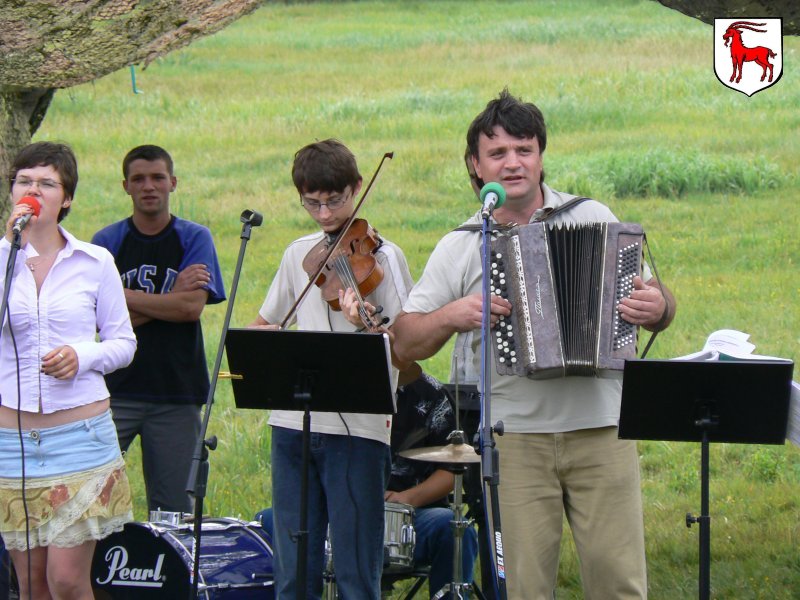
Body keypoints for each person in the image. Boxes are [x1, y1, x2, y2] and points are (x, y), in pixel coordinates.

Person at [392, 90, 676, 600]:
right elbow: (405, 340)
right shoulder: (461, 242)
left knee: (620, 584)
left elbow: (657, 302)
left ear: (541, 155)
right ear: (476, 167)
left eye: (524, 149)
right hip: (513, 439)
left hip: (602, 428)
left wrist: (658, 310)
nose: (513, 162)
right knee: (525, 589)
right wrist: (455, 314)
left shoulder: (593, 216)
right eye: (498, 153)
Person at [249, 139, 414, 599]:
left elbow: (408, 351)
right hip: (292, 424)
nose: (324, 215)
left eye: (335, 201)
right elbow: (267, 321)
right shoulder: (297, 254)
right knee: (293, 573)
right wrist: (259, 338)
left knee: (356, 573)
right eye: (311, 203)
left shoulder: (385, 258)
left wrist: (366, 326)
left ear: (358, 188)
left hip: (358, 430)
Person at [0, 141, 136, 599]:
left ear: (67, 198)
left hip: (80, 438)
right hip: (12, 443)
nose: (32, 189)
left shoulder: (94, 262)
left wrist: (84, 355)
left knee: (65, 579)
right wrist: (9, 253)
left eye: (46, 183)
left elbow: (123, 343)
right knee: (31, 584)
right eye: (24, 181)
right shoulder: (0, 259)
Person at [255, 367, 479, 600]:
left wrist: (408, 498)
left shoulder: (431, 394)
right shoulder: (341, 390)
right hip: (336, 512)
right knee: (267, 522)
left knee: (453, 528)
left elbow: (452, 469)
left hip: (409, 518)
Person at [92, 145, 225, 514]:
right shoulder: (105, 244)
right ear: (125, 186)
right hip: (112, 392)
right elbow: (99, 324)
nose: (148, 186)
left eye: (157, 178)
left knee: (174, 514)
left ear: (173, 183)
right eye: (138, 179)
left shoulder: (194, 238)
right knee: (85, 498)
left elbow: (190, 308)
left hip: (176, 394)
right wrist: (170, 295)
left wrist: (122, 299)